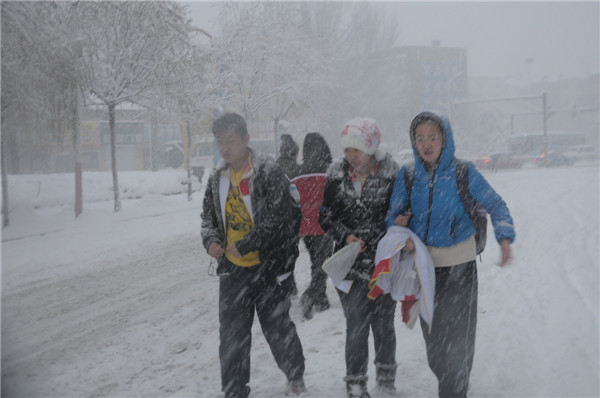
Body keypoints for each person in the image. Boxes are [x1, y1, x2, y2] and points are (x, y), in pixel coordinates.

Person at [386, 111, 515, 398]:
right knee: (434, 341)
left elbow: (496, 204)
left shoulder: (464, 172)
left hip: (460, 265)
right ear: (413, 141)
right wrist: (399, 230)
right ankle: (451, 382)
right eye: (420, 138)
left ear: (445, 139)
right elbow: (392, 217)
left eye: (433, 137)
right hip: (424, 267)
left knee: (458, 339)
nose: (426, 144)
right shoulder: (407, 175)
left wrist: (504, 237)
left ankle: (454, 390)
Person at [200, 113, 306, 398]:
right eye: (220, 141)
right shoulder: (216, 178)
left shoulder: (267, 171)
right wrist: (210, 240)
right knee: (232, 337)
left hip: (267, 266)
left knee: (277, 328)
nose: (225, 147)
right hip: (233, 271)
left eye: (231, 140)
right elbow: (208, 218)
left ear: (246, 140)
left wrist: (247, 243)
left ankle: (295, 374)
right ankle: (234, 390)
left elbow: (279, 217)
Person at [319, 118, 400, 398]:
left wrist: (389, 232)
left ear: (372, 148)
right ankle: (355, 385)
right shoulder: (336, 174)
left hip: (383, 265)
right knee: (356, 326)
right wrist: (345, 236)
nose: (351, 157)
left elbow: (401, 213)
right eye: (347, 150)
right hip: (350, 266)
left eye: (358, 150)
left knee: (383, 324)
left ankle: (387, 379)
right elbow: (325, 216)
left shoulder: (392, 174)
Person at [291, 132, 334, 319]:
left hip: (304, 226)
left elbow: (293, 201)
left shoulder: (297, 174)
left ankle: (321, 299)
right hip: (324, 225)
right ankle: (311, 296)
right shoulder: (330, 171)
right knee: (322, 264)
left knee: (316, 263)